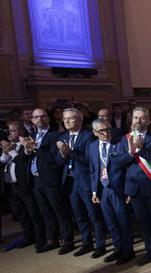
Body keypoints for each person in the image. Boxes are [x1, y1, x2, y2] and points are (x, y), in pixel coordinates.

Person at [17, 109, 73, 253]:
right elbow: (23, 158)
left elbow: (54, 159)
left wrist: (35, 148)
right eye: (36, 117)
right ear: (33, 121)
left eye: (43, 116)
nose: (39, 119)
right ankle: (52, 239)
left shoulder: (56, 135)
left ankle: (68, 241)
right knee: (45, 212)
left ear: (48, 118)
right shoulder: (32, 135)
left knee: (61, 211)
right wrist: (28, 150)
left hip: (51, 179)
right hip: (36, 180)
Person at [120, 107, 151, 268]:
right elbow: (119, 163)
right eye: (135, 118)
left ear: (148, 121)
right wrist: (129, 153)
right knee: (143, 223)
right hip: (134, 189)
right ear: (131, 120)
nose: (138, 121)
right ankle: (150, 252)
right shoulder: (125, 138)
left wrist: (141, 150)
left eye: (142, 118)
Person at [57, 107, 106, 257]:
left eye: (70, 118)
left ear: (80, 119)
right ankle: (87, 243)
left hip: (85, 182)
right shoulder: (62, 136)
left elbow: (90, 161)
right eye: (64, 118)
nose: (66, 121)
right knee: (79, 216)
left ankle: (100, 245)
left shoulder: (88, 136)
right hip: (70, 182)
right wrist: (63, 155)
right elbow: (57, 160)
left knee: (94, 215)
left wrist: (70, 153)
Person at [89, 119, 135, 263]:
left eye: (107, 129)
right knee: (111, 223)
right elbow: (93, 170)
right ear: (94, 133)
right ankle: (118, 249)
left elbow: (127, 169)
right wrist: (94, 192)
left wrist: (128, 190)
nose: (105, 133)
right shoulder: (92, 146)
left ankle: (128, 251)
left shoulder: (119, 143)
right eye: (101, 131)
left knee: (124, 222)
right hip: (103, 190)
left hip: (118, 189)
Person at [1, 122, 44, 250]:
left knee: (33, 213)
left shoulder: (25, 146)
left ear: (21, 132)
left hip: (24, 185)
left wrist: (13, 152)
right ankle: (28, 236)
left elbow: (23, 164)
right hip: (10, 186)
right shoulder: (7, 146)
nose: (10, 133)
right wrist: (4, 154)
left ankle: (41, 238)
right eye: (8, 130)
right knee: (21, 214)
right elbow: (2, 163)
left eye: (13, 130)